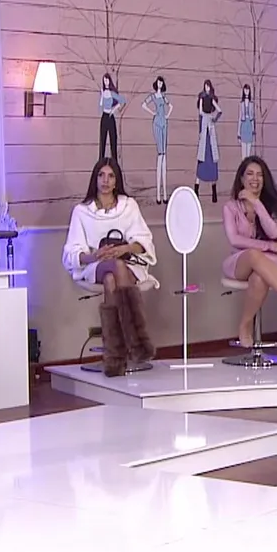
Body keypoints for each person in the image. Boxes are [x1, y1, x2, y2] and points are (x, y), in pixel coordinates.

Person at [63, 158, 158, 376]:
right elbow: (72, 252)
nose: (105, 181)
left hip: (128, 263)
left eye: (111, 176)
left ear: (116, 181)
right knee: (113, 268)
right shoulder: (81, 211)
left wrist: (125, 248)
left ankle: (114, 355)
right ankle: (137, 341)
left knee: (111, 278)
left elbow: (144, 241)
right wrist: (95, 255)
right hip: (94, 265)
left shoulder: (129, 206)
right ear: (95, 179)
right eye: (101, 175)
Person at [222, 156, 277, 346]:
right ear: (241, 179)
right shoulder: (231, 207)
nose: (255, 179)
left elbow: (273, 232)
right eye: (250, 174)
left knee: (259, 277)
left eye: (260, 175)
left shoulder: (273, 205)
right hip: (240, 262)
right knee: (254, 255)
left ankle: (245, 324)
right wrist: (269, 246)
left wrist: (257, 203)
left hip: (271, 262)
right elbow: (234, 240)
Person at [141, 76, 172, 205]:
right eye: (158, 82)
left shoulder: (163, 96)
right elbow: (143, 105)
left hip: (164, 122)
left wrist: (167, 115)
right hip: (157, 123)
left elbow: (171, 106)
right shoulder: (153, 96)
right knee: (160, 155)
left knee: (164, 156)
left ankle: (164, 194)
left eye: (161, 82)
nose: (160, 84)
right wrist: (152, 113)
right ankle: (158, 194)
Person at [195, 79, 221, 202]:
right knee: (201, 157)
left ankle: (213, 191)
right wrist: (207, 117)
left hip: (210, 126)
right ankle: (196, 188)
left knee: (212, 156)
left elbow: (219, 110)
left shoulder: (211, 99)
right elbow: (200, 112)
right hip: (205, 125)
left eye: (208, 86)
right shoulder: (202, 97)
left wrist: (214, 118)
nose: (207, 88)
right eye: (206, 86)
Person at [98, 73, 126, 163]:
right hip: (104, 116)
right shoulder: (103, 92)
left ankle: (114, 162)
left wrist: (113, 109)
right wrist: (102, 95)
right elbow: (100, 107)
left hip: (110, 117)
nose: (105, 82)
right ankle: (100, 161)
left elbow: (122, 100)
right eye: (104, 80)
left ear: (109, 81)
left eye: (107, 80)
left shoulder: (112, 93)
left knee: (113, 140)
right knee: (102, 140)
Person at [238, 84, 256, 159]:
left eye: (248, 90)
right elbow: (240, 117)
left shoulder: (251, 104)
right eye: (245, 90)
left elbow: (253, 118)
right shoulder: (241, 103)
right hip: (243, 125)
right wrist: (238, 133)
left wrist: (253, 130)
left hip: (249, 125)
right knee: (243, 151)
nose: (246, 91)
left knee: (248, 151)